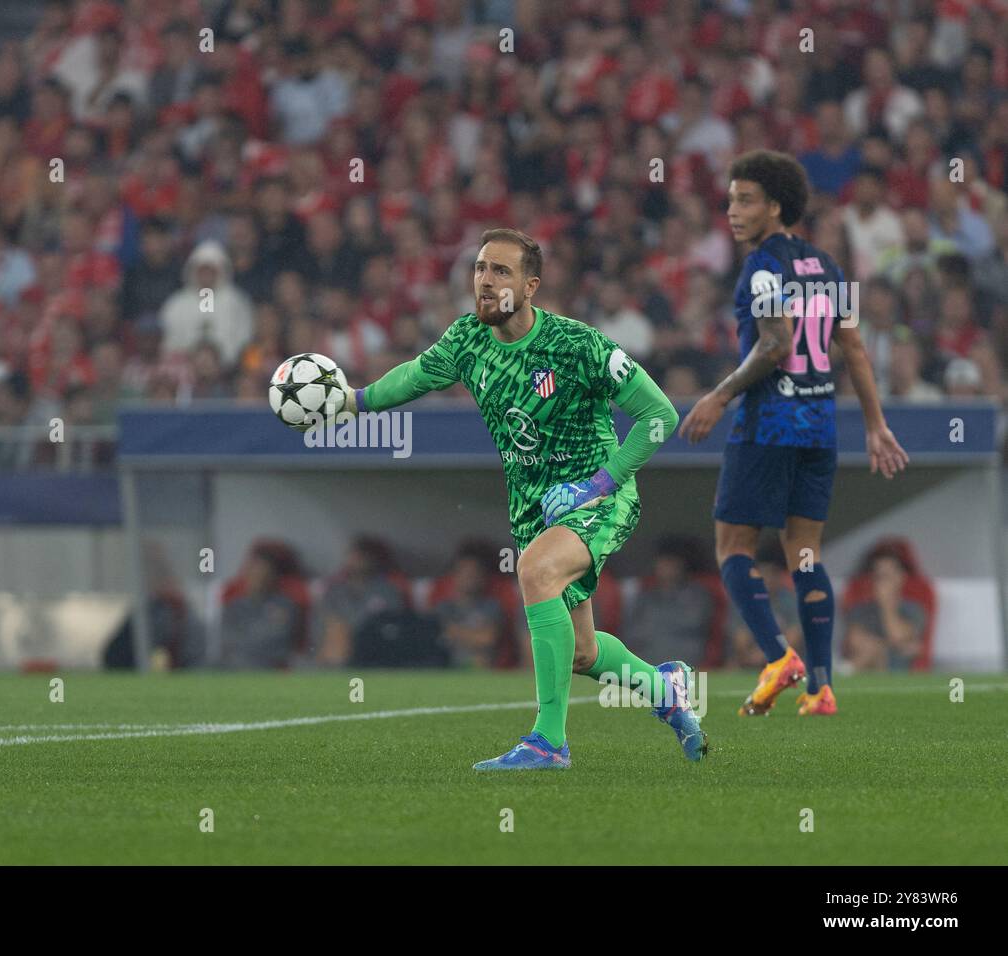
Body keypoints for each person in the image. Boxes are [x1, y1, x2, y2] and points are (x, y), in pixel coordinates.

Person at [344, 228, 705, 769]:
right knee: (582, 653)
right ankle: (666, 691)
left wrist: (600, 484)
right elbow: (414, 377)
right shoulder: (467, 339)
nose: (484, 282)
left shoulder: (578, 345)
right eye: (480, 269)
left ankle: (548, 742)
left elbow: (660, 416)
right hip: (533, 507)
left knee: (536, 571)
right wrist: (352, 402)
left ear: (531, 286)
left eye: (501, 272)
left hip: (599, 495)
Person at [679, 150, 909, 717]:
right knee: (804, 553)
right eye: (730, 198)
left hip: (769, 422)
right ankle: (822, 688)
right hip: (820, 425)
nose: (732, 210)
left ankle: (779, 657)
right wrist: (875, 426)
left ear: (775, 207)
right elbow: (852, 346)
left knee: (733, 546)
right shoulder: (828, 265)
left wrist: (719, 394)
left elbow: (776, 342)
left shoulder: (761, 266)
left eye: (745, 199)